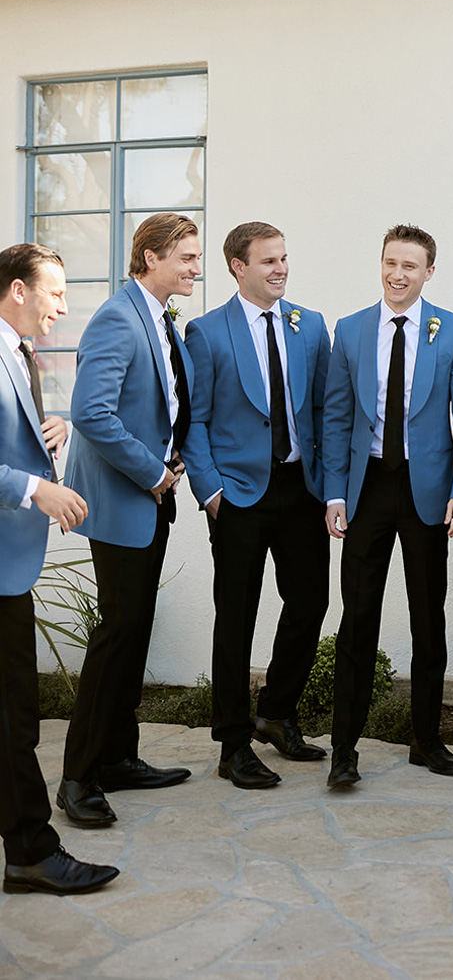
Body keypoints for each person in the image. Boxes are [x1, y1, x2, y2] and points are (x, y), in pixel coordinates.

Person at [322, 224, 453, 788]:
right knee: (357, 619)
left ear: (428, 272)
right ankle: (344, 749)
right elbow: (336, 416)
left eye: (409, 266)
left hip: (427, 491)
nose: (397, 274)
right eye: (390, 262)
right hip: (367, 488)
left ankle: (427, 740)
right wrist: (335, 492)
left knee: (428, 619)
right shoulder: (350, 330)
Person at [58, 214, 201, 827]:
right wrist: (152, 471)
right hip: (125, 498)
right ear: (150, 258)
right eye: (186, 257)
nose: (196, 267)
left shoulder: (160, 318)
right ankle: (77, 778)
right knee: (117, 634)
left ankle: (118, 757)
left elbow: (163, 404)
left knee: (135, 630)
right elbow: (91, 412)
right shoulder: (118, 317)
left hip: (151, 498)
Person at [184, 222, 332, 789]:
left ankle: (275, 711)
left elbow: (325, 410)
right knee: (236, 616)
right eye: (268, 261)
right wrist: (211, 492)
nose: (281, 269)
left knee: (310, 602)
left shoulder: (309, 324)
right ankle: (233, 744)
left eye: (284, 258)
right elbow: (194, 420)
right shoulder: (206, 333)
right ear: (237, 267)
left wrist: (331, 485)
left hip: (300, 487)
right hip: (237, 496)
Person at [0, 244, 119, 895]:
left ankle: (26, 851)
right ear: (19, 289)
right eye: (56, 292)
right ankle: (32, 852)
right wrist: (34, 488)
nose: (64, 307)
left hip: (10, 566)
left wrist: (50, 433)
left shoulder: (19, 354)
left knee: (16, 715)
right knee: (15, 719)